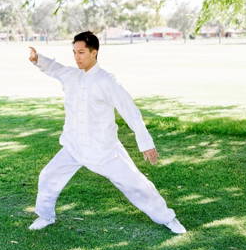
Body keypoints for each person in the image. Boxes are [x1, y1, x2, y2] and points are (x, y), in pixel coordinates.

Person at [28, 31, 186, 234]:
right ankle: (45, 216)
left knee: (136, 185)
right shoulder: (71, 76)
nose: (77, 57)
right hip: (74, 146)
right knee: (48, 176)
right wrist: (37, 59)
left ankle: (168, 218)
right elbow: (54, 68)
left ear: (94, 52)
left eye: (82, 52)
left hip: (104, 150)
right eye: (74, 52)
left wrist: (145, 143)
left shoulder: (107, 81)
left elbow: (130, 111)